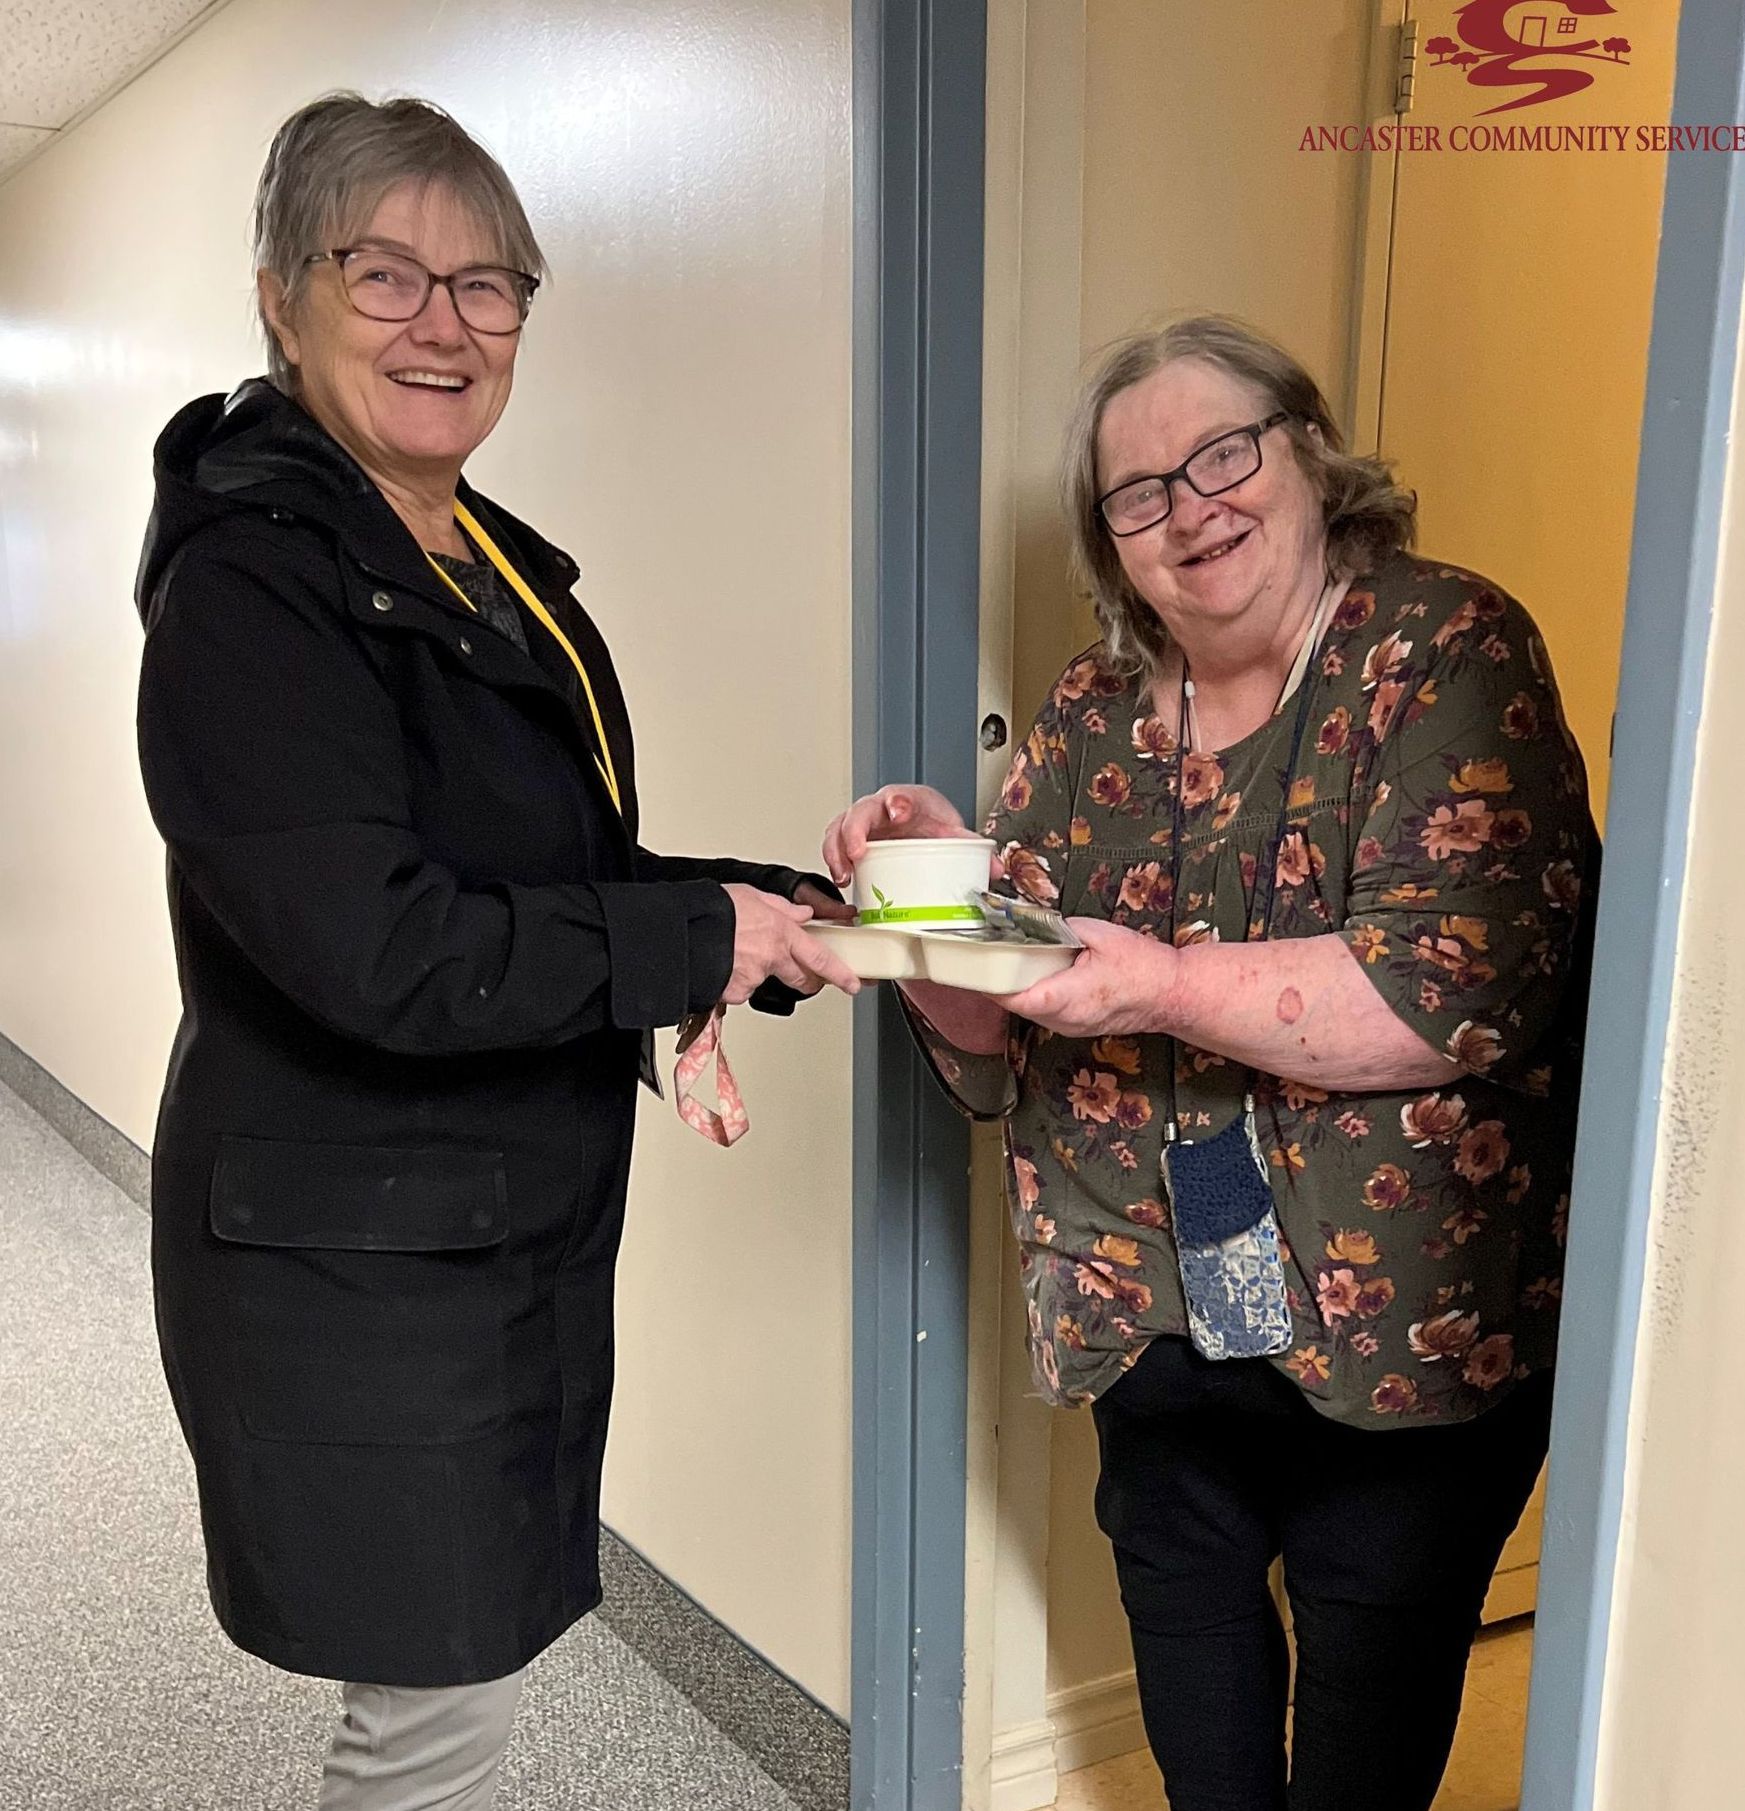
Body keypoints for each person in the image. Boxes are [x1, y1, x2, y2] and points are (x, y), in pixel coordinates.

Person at [134, 93, 856, 1811]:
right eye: (383, 273)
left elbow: (559, 876)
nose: (444, 324)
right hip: (354, 1247)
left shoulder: (488, 571)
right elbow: (379, 948)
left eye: (489, 284)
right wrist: (691, 934)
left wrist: (804, 912)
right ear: (277, 296)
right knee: (430, 1712)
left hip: (477, 1226)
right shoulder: (257, 586)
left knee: (450, 1678)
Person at [824, 315, 1595, 1811]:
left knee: (1371, 1661)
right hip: (1143, 1287)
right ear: (1109, 543)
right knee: (1184, 1620)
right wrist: (917, 919)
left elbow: (1451, 993)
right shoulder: (1085, 712)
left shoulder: (1441, 647)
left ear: (1311, 455)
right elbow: (1011, 1011)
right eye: (1137, 492)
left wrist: (1161, 984)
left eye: (1222, 453)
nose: (1190, 507)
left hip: (1404, 1314)